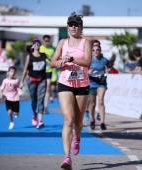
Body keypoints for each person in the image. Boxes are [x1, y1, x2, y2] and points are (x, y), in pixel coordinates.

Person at [50, 12, 91, 169]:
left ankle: (77, 137)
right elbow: (52, 63)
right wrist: (60, 62)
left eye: (77, 24)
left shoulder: (85, 42)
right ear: (68, 27)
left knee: (78, 122)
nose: (74, 27)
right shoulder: (62, 43)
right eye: (71, 24)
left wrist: (72, 59)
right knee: (68, 119)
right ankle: (67, 157)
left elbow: (87, 62)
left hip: (82, 85)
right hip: (65, 83)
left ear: (81, 28)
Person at [19, 37, 50, 129]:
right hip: (31, 81)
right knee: (34, 100)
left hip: (42, 80)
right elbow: (25, 70)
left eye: (38, 43)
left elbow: (53, 60)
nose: (37, 44)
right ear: (33, 45)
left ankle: (40, 121)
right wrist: (21, 82)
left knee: (41, 100)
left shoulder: (44, 55)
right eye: (35, 43)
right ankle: (34, 113)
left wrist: (61, 61)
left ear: (40, 45)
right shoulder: (29, 56)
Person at [88, 44, 109, 131]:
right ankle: (92, 120)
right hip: (92, 83)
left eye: (97, 50)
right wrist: (88, 71)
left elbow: (109, 66)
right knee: (92, 103)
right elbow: (83, 70)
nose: (95, 51)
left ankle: (102, 122)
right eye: (93, 50)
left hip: (101, 83)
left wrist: (107, 70)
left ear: (100, 51)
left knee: (101, 101)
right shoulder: (89, 60)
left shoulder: (104, 60)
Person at [39, 35, 55, 114]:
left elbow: (54, 59)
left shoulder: (51, 49)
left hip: (49, 70)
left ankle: (45, 106)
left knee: (48, 87)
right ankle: (40, 104)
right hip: (40, 71)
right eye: (45, 41)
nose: (47, 42)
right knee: (40, 88)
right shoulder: (39, 48)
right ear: (43, 40)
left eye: (48, 41)